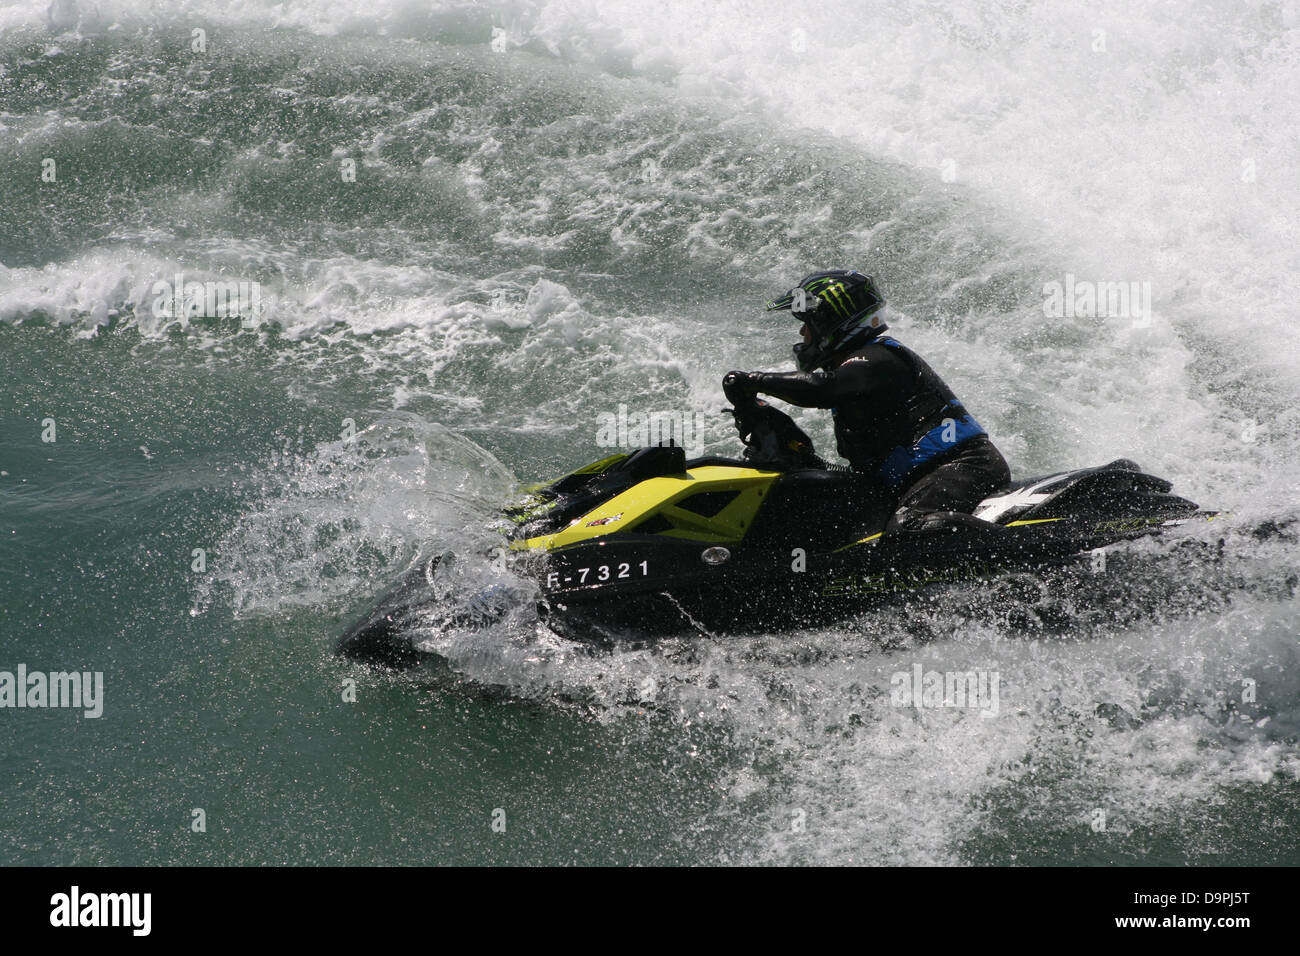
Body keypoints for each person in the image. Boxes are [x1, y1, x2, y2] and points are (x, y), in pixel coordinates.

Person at [723, 269, 1010, 534]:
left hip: (966, 465)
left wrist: (754, 380)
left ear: (828, 322)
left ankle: (1013, 550)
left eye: (807, 325)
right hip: (917, 480)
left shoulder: (877, 358)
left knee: (908, 528)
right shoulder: (858, 373)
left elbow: (823, 389)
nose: (802, 334)